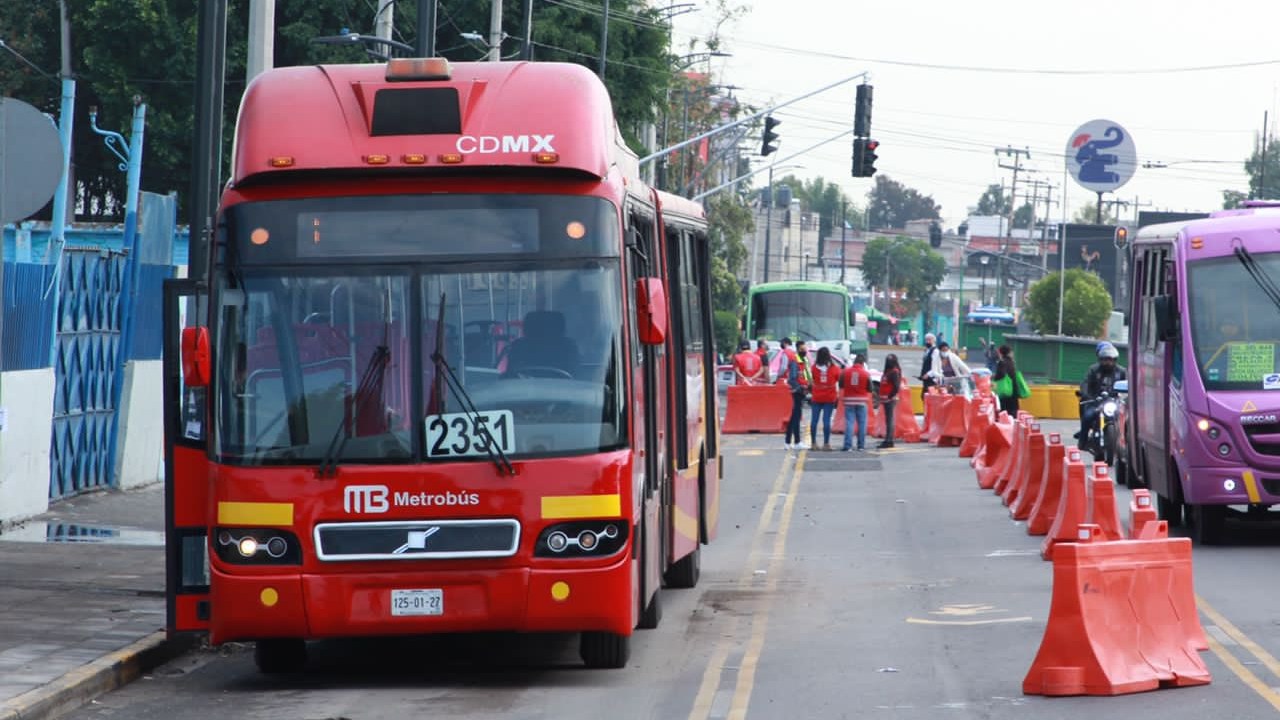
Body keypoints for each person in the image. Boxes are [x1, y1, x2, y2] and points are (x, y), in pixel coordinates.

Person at [1076, 341, 1127, 446]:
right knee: (1087, 416)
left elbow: (1127, 385)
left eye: (1110, 360)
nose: (1108, 362)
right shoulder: (1093, 370)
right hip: (1096, 402)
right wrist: (1085, 394)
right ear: (1100, 359)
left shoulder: (1122, 371)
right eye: (1105, 360)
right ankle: (1083, 440)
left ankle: (1126, 444)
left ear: (1115, 360)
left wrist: (1125, 397)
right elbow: (1085, 383)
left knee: (1127, 422)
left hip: (1115, 402)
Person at [808, 347, 840, 450]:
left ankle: (813, 443)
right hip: (829, 398)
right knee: (826, 420)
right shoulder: (834, 369)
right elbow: (839, 379)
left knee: (814, 420)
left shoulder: (813, 368)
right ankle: (826, 444)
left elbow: (810, 381)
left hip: (816, 397)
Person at [839, 352, 872, 452]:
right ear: (863, 363)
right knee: (862, 423)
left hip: (849, 401)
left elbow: (841, 385)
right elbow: (870, 389)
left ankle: (848, 446)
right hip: (862, 401)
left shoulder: (845, 372)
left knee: (849, 423)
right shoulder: (866, 374)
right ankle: (861, 446)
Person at [783, 338, 809, 450]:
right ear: (798, 349)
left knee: (795, 417)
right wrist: (800, 387)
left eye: (805, 348)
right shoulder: (795, 361)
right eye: (803, 349)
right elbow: (792, 379)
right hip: (797, 391)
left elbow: (805, 375)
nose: (805, 350)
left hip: (801, 391)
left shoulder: (803, 360)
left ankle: (789, 442)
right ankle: (795, 441)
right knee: (796, 417)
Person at [876, 354, 903, 449]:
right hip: (886, 399)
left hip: (890, 399)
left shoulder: (894, 372)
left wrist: (889, 396)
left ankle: (889, 440)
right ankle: (888, 439)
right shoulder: (888, 371)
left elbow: (896, 386)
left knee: (890, 420)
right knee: (888, 420)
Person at [991, 344, 1021, 417]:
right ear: (1009, 352)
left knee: (1005, 411)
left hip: (1006, 390)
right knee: (1013, 411)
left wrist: (993, 377)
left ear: (1000, 353)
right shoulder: (1012, 362)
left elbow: (1001, 374)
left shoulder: (1002, 362)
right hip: (1013, 389)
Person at [918, 333, 937, 401]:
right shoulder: (927, 350)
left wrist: (928, 374)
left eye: (929, 340)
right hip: (926, 379)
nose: (927, 341)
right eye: (926, 340)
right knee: (924, 397)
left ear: (934, 340)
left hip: (932, 379)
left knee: (929, 397)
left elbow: (935, 366)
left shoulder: (935, 351)